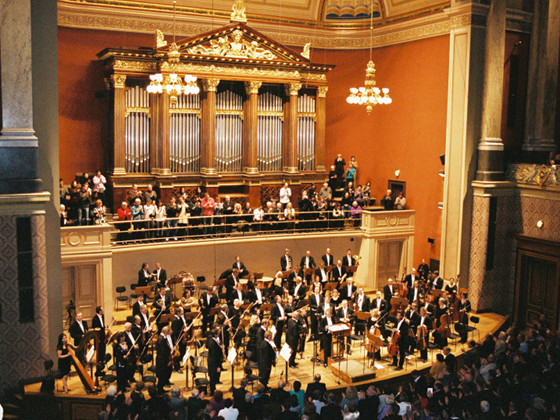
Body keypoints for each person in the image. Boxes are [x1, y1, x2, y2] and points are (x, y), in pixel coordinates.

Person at [156, 326, 173, 393]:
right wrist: (167, 361)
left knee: (163, 375)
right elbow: (163, 352)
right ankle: (160, 390)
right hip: (162, 361)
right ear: (166, 332)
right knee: (161, 375)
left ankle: (161, 389)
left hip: (162, 360)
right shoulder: (161, 339)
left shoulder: (162, 338)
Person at [207, 327, 224, 396]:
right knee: (212, 378)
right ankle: (212, 392)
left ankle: (213, 390)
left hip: (212, 362)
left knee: (213, 378)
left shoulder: (212, 340)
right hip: (213, 363)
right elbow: (214, 356)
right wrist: (217, 366)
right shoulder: (212, 342)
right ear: (215, 335)